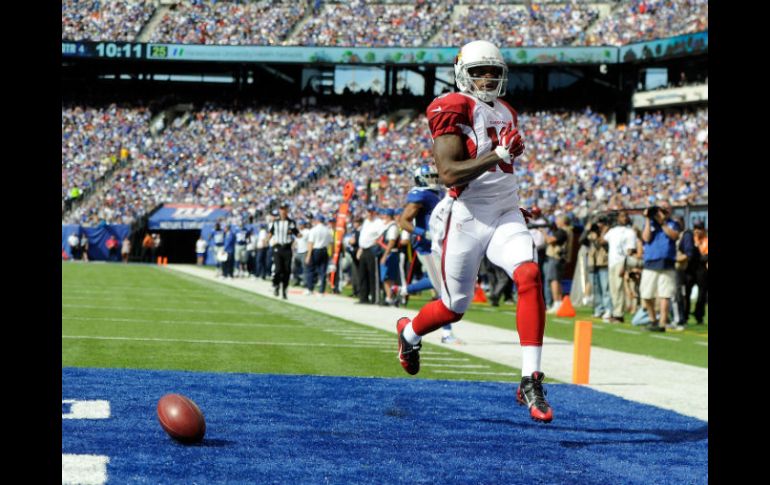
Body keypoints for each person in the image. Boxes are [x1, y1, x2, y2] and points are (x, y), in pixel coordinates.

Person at [395, 40, 552, 422]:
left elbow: (501, 171)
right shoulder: (451, 105)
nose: (487, 78)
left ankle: (530, 379)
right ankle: (409, 334)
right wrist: (497, 155)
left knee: (529, 275)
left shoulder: (508, 111)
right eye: (479, 71)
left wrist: (512, 201)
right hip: (466, 216)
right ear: (463, 73)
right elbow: (449, 173)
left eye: (493, 72)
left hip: (504, 212)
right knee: (454, 307)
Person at [394, 164, 461, 343]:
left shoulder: (436, 193)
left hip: (439, 244)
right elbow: (404, 221)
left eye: (434, 176)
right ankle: (445, 333)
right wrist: (423, 233)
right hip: (427, 246)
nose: (434, 180)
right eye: (430, 177)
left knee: (441, 283)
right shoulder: (420, 194)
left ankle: (403, 290)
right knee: (443, 289)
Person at [640, 202, 681, 332]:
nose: (662, 211)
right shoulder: (650, 223)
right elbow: (646, 238)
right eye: (660, 208)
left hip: (667, 262)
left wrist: (663, 223)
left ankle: (662, 323)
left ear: (669, 210)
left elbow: (674, 236)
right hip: (650, 262)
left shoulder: (673, 223)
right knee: (646, 294)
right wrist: (648, 218)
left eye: (665, 208)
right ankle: (653, 320)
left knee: (665, 294)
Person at [603, 212, 637, 323]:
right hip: (611, 262)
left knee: (618, 288)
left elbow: (630, 250)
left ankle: (619, 314)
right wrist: (606, 226)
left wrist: (624, 266)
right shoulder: (612, 231)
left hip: (621, 261)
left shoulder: (629, 232)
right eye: (622, 216)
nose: (624, 218)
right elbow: (602, 240)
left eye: (626, 216)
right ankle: (615, 312)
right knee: (613, 289)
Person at [581, 216, 611, 320]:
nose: (598, 225)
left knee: (605, 289)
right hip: (592, 263)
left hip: (604, 263)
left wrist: (601, 234)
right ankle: (599, 309)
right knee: (596, 289)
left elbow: (601, 245)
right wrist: (587, 229)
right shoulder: (591, 234)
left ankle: (608, 309)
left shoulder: (608, 234)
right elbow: (581, 240)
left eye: (600, 223)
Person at [269, 203, 301, 299]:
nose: (283, 211)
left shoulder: (291, 222)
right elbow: (271, 232)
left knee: (286, 270)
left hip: (287, 248)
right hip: (278, 247)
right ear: (279, 210)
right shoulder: (276, 222)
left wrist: (300, 235)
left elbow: (296, 233)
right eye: (281, 209)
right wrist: (267, 240)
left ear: (287, 211)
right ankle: (276, 285)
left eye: (284, 209)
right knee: (278, 269)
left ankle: (284, 290)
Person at [357, 205, 384, 304]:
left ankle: (375, 298)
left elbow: (381, 236)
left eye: (371, 211)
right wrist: (360, 248)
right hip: (363, 249)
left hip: (372, 249)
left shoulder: (378, 222)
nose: (369, 213)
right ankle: (363, 297)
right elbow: (363, 236)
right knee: (363, 274)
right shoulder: (366, 221)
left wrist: (375, 243)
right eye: (368, 211)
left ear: (374, 212)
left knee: (373, 275)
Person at [543, 215, 569, 314]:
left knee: (554, 281)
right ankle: (558, 302)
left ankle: (556, 302)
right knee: (556, 280)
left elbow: (550, 240)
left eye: (558, 219)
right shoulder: (563, 231)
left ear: (563, 221)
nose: (556, 221)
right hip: (558, 258)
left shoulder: (562, 231)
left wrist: (543, 233)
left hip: (555, 258)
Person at [305, 214, 333, 296]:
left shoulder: (314, 230)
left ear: (317, 220)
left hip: (315, 250)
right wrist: (331, 254)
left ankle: (310, 288)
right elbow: (331, 243)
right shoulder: (327, 230)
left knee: (311, 270)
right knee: (323, 271)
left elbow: (311, 243)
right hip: (324, 251)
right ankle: (321, 291)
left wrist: (308, 255)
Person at [377, 208, 401, 305]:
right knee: (386, 278)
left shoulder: (392, 227)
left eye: (384, 215)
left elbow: (391, 242)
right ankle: (388, 297)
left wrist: (385, 255)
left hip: (391, 253)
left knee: (388, 277)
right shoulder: (388, 226)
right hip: (388, 253)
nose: (383, 217)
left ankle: (390, 297)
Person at [691, 221, 708, 324]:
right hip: (690, 269)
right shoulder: (690, 238)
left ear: (703, 229)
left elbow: (704, 256)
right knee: (685, 292)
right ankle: (684, 315)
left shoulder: (706, 240)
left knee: (702, 294)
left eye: (699, 228)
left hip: (702, 270)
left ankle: (699, 316)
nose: (697, 231)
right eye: (695, 228)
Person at [293, 219, 310, 286]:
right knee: (294, 268)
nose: (299, 225)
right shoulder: (298, 231)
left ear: (303, 225)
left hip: (305, 251)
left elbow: (310, 241)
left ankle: (305, 282)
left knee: (305, 268)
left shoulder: (307, 231)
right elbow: (296, 240)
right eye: (299, 224)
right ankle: (296, 280)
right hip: (298, 251)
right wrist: (293, 245)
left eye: (300, 224)